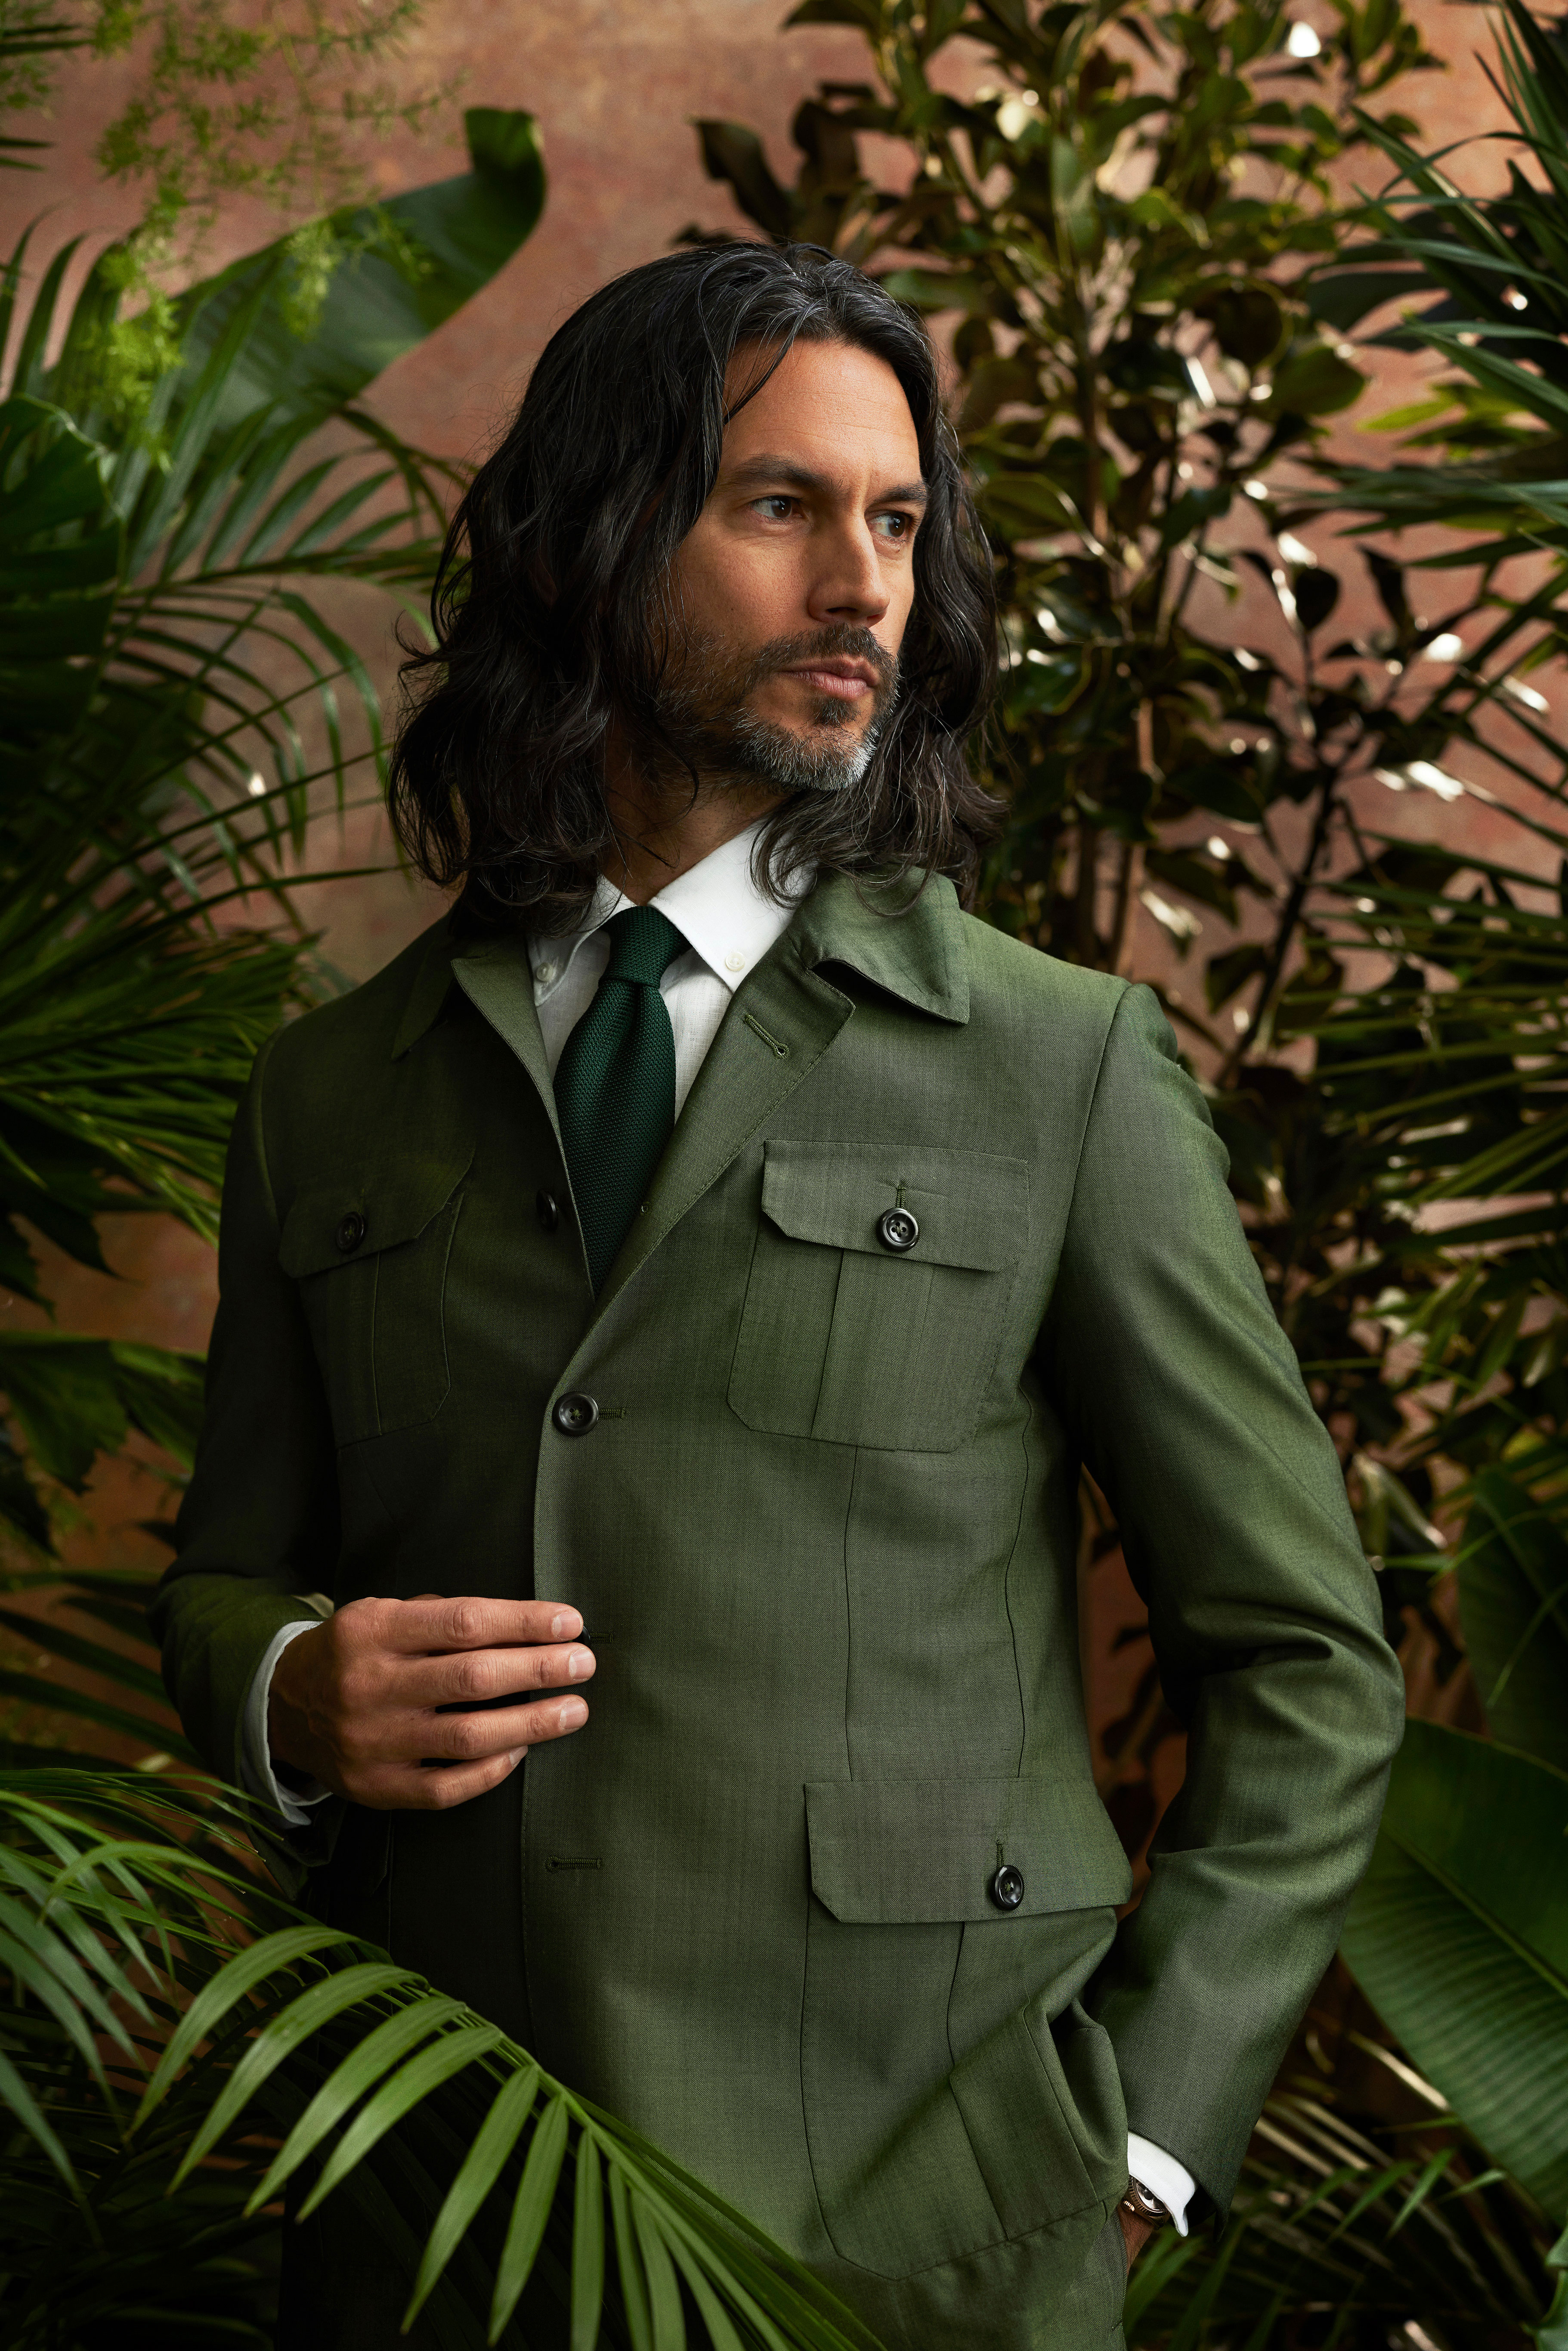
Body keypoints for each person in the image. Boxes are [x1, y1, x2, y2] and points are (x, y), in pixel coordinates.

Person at [152, 242, 1405, 2351]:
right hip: (437, 2237)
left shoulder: (1058, 1069)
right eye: (777, 505)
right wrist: (288, 1689)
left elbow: (1301, 1660)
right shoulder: (332, 1092)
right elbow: (220, 1578)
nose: (861, 587)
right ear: (592, 540)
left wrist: (1136, 2148)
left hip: (917, 2248)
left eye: (896, 523)